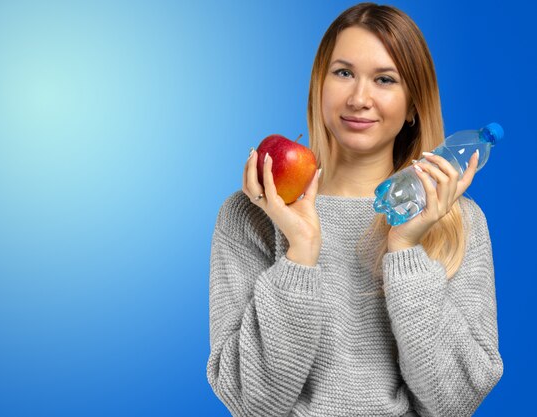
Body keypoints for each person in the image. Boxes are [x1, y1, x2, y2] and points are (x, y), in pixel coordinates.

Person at [206, 2, 503, 417]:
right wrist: (301, 252)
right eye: (343, 73)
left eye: (385, 79)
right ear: (319, 86)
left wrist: (404, 249)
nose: (359, 98)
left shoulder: (458, 222)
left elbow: (454, 402)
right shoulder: (253, 213)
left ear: (414, 105)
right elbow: (249, 401)